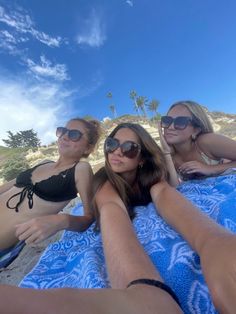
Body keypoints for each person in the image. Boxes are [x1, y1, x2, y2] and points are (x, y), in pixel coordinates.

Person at [0, 122, 236, 314]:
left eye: (129, 148)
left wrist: (213, 243)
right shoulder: (104, 181)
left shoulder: (150, 175)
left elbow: (165, 194)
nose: (116, 152)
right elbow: (112, 212)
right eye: (112, 144)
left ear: (141, 157)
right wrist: (143, 287)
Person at [0, 117, 101, 267]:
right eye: (63, 131)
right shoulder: (44, 162)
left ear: (88, 148)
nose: (65, 136)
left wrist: (62, 221)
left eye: (74, 135)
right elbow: (7, 187)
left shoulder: (80, 169)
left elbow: (90, 217)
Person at [158, 100, 236, 185]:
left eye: (181, 121)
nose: (170, 127)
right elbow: (175, 188)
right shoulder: (168, 155)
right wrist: (166, 153)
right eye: (167, 120)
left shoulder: (206, 142)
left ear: (196, 130)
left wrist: (210, 169)